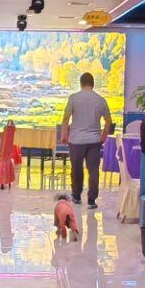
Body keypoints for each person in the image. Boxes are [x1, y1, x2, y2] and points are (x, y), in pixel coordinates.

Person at [58, 71, 112, 207]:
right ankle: (92, 200)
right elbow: (108, 121)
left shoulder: (74, 98)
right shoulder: (100, 100)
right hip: (94, 141)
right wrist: (104, 135)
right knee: (93, 170)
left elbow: (65, 118)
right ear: (93, 84)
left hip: (76, 140)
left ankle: (76, 196)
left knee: (76, 169)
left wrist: (64, 134)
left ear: (81, 83)